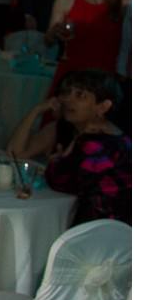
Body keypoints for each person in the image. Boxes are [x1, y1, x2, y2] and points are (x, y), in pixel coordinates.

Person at [7, 69, 129, 226]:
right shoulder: (66, 129)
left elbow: (59, 180)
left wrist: (58, 162)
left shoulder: (102, 144)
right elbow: (14, 154)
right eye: (66, 93)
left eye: (80, 95)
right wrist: (36, 110)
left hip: (105, 231)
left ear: (103, 106)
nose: (68, 100)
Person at [46, 0, 129, 87]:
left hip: (106, 75)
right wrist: (56, 32)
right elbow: (48, 40)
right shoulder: (65, 0)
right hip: (72, 73)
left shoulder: (124, 2)